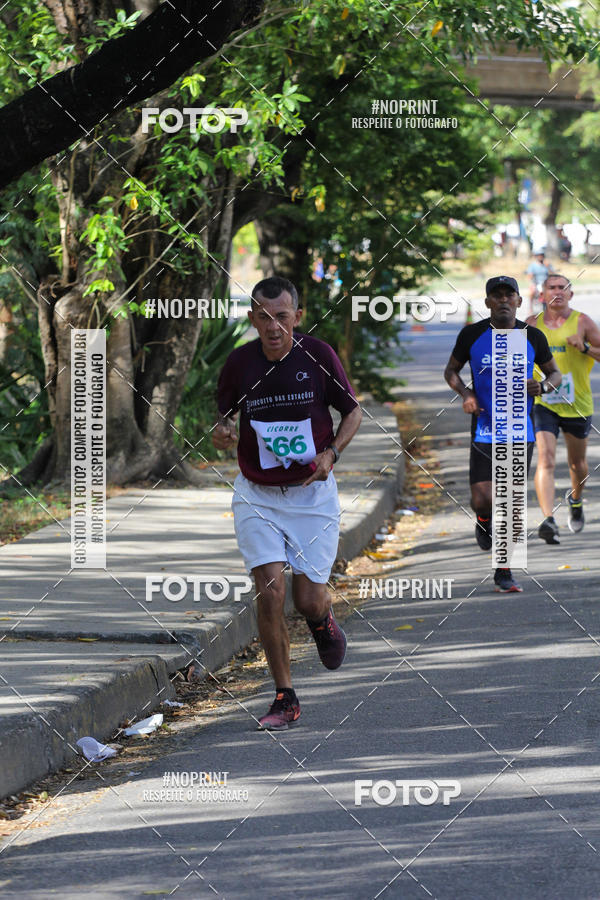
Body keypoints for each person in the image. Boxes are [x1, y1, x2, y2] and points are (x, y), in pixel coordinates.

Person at [213, 276, 362, 730]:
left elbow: (352, 410)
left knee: (308, 600)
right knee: (271, 591)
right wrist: (221, 432)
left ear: (297, 316)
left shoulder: (317, 356)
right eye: (264, 316)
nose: (273, 326)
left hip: (312, 494)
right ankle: (285, 696)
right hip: (256, 494)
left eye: (282, 316)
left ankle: (322, 622)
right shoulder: (239, 363)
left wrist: (332, 452)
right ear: (253, 318)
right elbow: (223, 417)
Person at [444, 275, 561, 592]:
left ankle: (504, 570)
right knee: (483, 499)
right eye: (497, 296)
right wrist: (467, 394)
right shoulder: (472, 334)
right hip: (484, 428)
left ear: (520, 301)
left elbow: (554, 373)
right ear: (488, 303)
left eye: (510, 295)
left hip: (519, 431)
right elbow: (450, 371)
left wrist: (544, 386)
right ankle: (483, 520)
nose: (504, 301)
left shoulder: (532, 336)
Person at [526, 274, 600, 542]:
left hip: (577, 403)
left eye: (562, 288)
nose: (557, 292)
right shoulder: (531, 325)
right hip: (543, 401)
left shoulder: (581, 322)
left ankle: (576, 500)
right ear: (542, 294)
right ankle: (548, 519)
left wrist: (585, 347)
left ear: (571, 294)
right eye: (551, 288)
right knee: (545, 458)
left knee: (577, 464)